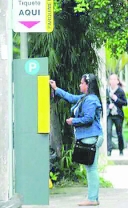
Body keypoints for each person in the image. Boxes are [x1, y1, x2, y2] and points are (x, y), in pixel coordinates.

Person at [50, 74, 103, 206]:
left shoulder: (90, 100)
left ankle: (92, 199)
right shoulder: (85, 98)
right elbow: (71, 98)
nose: (79, 85)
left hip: (91, 137)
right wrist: (56, 89)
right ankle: (93, 198)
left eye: (81, 83)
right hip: (89, 136)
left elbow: (88, 118)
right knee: (91, 168)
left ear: (87, 85)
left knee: (91, 169)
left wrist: (74, 121)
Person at [106, 74, 127, 156]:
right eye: (111, 79)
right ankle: (109, 151)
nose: (113, 81)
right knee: (108, 132)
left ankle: (121, 150)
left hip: (118, 115)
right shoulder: (107, 90)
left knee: (119, 133)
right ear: (109, 81)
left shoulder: (120, 91)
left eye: (115, 79)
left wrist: (116, 99)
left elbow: (125, 103)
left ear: (118, 81)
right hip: (109, 115)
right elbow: (104, 101)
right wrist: (108, 106)